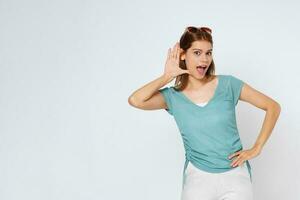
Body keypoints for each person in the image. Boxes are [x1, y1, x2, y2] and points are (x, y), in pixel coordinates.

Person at [128, 26, 281, 200]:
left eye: (208, 53)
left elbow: (272, 106)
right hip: (197, 177)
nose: (204, 59)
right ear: (183, 55)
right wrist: (166, 77)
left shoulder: (228, 85)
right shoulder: (173, 97)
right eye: (197, 53)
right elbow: (136, 100)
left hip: (235, 176)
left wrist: (257, 148)